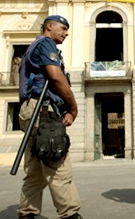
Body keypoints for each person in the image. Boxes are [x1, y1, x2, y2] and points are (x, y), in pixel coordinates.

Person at [17, 15, 82, 219]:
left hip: (31, 110)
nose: (66, 33)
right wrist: (72, 107)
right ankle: (69, 214)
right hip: (43, 110)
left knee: (36, 169)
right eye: (62, 28)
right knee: (57, 164)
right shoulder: (46, 44)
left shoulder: (33, 46)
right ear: (49, 27)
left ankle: (27, 213)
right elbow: (55, 76)